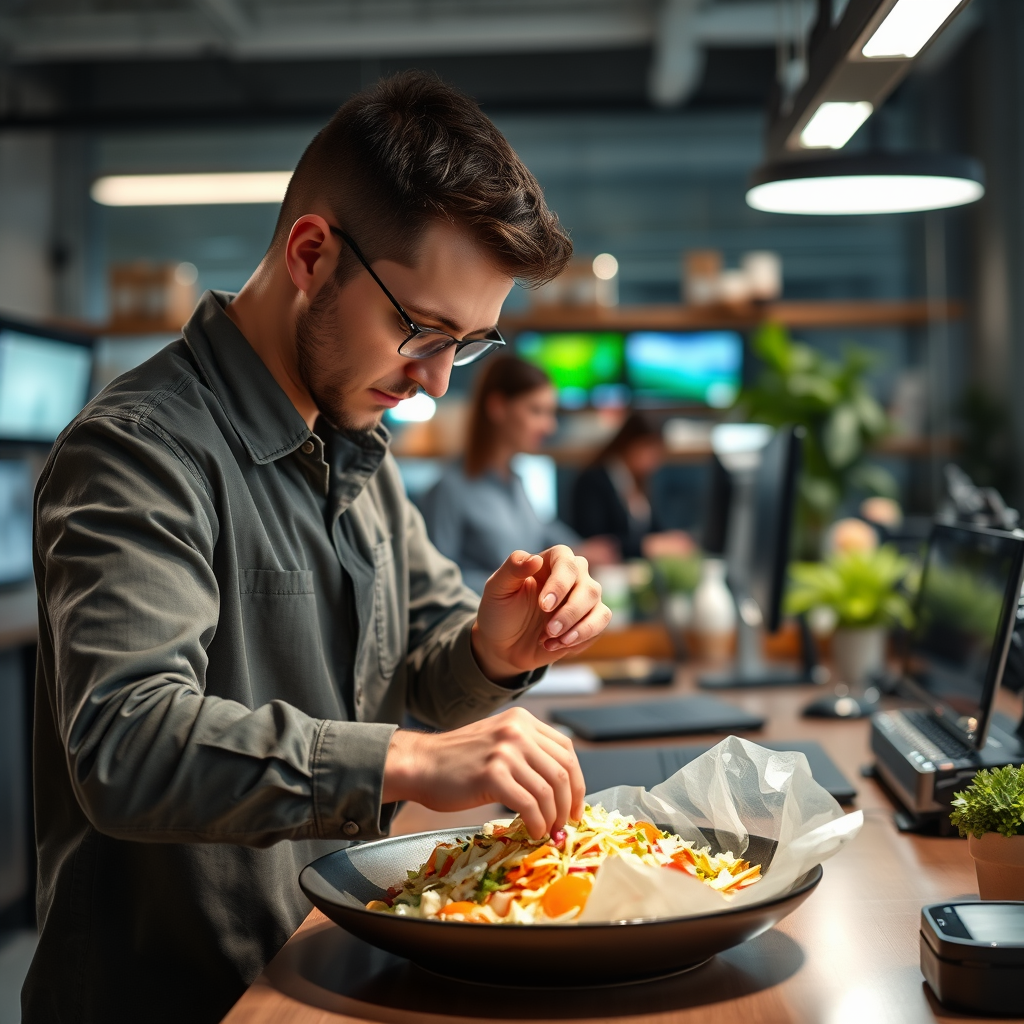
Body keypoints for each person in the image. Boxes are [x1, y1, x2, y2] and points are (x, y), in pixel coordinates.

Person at [24, 72, 611, 1024]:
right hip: (190, 998)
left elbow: (423, 663)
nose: (434, 385)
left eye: (465, 346)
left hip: (325, 962)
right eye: (419, 332)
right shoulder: (137, 449)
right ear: (310, 252)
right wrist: (406, 765)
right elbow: (125, 743)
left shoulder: (358, 449)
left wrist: (496, 652)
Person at [420, 355, 615, 592]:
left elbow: (542, 532)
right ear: (498, 407)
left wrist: (582, 551)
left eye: (550, 412)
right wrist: (515, 588)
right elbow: (435, 583)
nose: (549, 426)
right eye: (536, 411)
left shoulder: (514, 483)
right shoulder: (449, 490)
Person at [571, 411, 694, 560]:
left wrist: (670, 540)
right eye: (649, 450)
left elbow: (653, 530)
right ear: (630, 443)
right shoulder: (593, 480)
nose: (654, 461)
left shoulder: (638, 481)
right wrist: (647, 546)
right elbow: (596, 543)